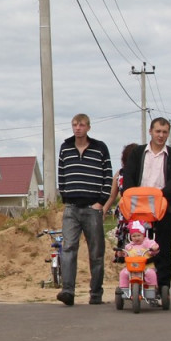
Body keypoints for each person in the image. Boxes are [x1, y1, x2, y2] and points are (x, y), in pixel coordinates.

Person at [120, 117, 171, 305]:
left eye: (164, 132)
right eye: (158, 131)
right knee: (136, 246)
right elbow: (129, 177)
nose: (161, 135)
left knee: (162, 249)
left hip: (163, 208)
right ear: (151, 131)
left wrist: (159, 197)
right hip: (139, 210)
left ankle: (163, 287)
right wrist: (134, 196)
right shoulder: (138, 153)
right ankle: (135, 282)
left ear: (168, 133)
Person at [56, 113, 113, 306]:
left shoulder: (100, 148)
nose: (77, 128)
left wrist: (101, 202)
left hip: (92, 207)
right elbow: (61, 174)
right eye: (74, 124)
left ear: (88, 127)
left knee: (96, 253)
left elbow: (108, 176)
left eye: (81, 125)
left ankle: (95, 295)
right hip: (71, 208)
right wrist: (65, 196)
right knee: (69, 248)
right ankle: (68, 291)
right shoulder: (65, 148)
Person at [117, 221, 159, 302]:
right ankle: (124, 289)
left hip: (145, 267)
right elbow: (124, 254)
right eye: (134, 236)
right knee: (123, 273)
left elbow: (154, 248)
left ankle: (152, 289)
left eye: (139, 235)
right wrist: (120, 253)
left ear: (143, 235)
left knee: (151, 273)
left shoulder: (147, 243)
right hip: (131, 269)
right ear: (130, 237)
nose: (136, 238)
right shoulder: (129, 246)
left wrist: (154, 248)